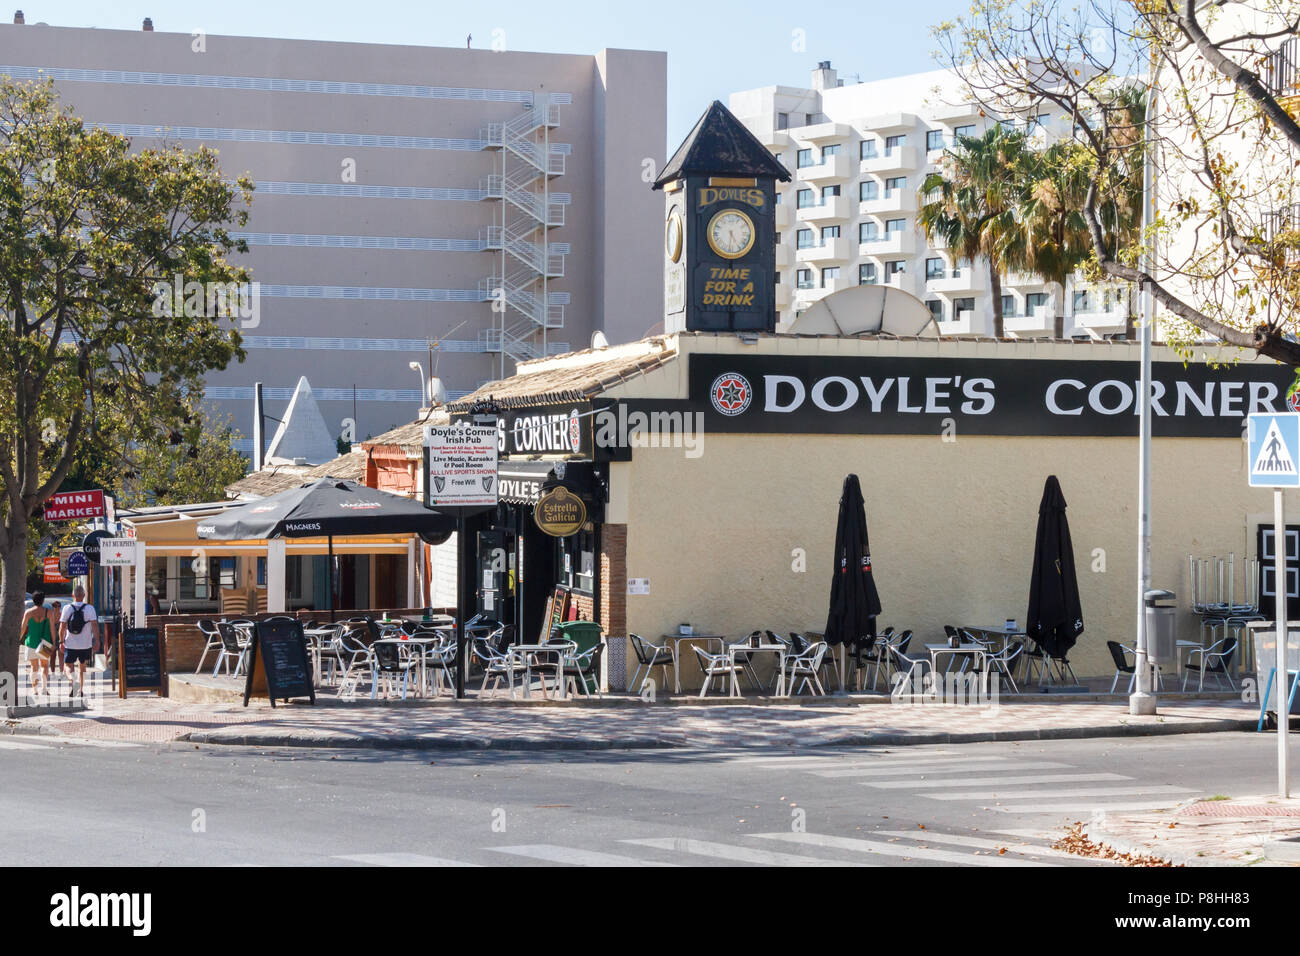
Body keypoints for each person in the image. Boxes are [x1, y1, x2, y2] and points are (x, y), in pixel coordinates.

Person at [59, 585, 99, 696]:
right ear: (84, 595)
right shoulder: (90, 608)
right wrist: (97, 640)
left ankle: (73, 682)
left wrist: (61, 642)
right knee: (83, 667)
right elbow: (95, 626)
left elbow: (62, 627)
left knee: (68, 666)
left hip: (70, 643)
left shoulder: (67, 608)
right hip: (85, 644)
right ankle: (80, 690)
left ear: (73, 595)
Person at [19, 590, 54, 698]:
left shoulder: (28, 612)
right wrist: (54, 642)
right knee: (44, 666)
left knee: (34, 667)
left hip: (31, 643)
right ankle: (44, 689)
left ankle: (35, 690)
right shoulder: (49, 612)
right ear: (43, 601)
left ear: (33, 600)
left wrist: (18, 640)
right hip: (45, 642)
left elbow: (22, 628)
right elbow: (52, 629)